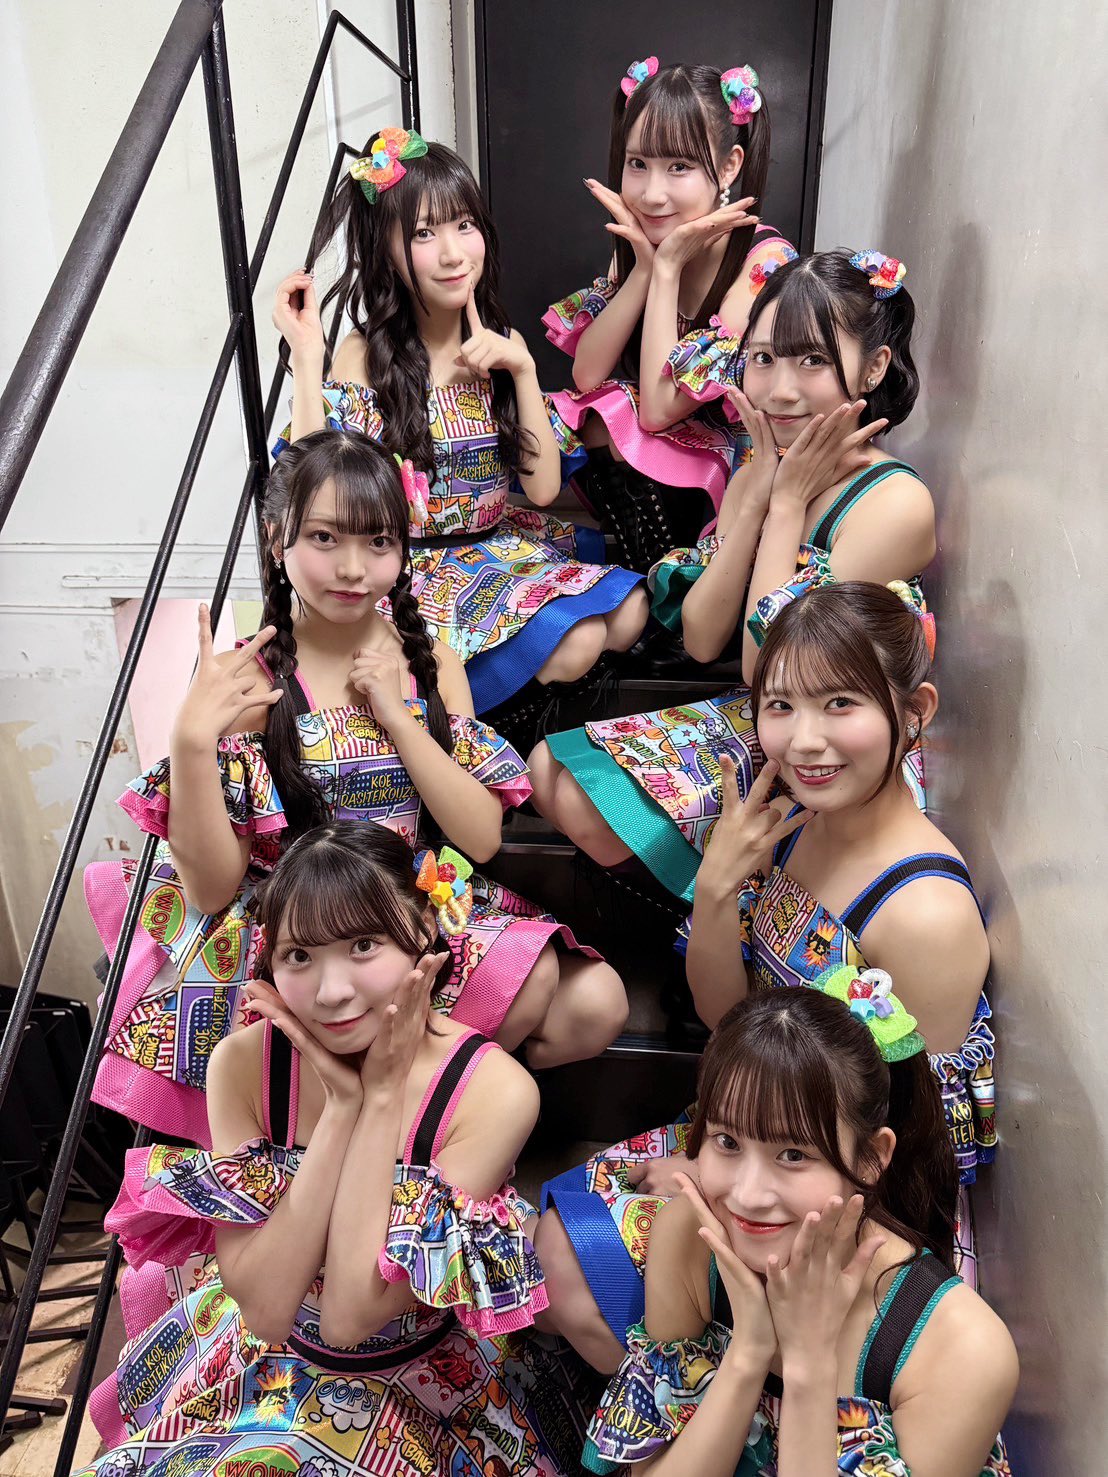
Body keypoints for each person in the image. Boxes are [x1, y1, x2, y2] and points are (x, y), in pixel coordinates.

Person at [88, 434, 627, 1147]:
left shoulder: (430, 662)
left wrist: (399, 718)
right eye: (324, 537)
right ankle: (354, 1137)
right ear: (277, 538)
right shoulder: (251, 681)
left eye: (378, 541)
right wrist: (190, 740)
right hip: (304, 928)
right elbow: (212, 888)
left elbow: (481, 837)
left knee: (593, 999)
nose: (352, 568)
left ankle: (407, 1123)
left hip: (411, 902)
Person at [535, 583, 997, 1373]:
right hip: (756, 1133)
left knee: (569, 1269)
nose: (805, 740)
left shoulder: (924, 914)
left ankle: (742, 1408)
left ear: (914, 710)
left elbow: (916, 1145)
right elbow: (726, 1014)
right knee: (551, 1243)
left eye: (841, 702)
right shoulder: (792, 822)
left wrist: (725, 1184)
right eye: (780, 705)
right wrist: (717, 888)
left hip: (843, 1199)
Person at [82, 822, 591, 1477]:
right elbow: (267, 1310)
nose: (331, 992)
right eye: (300, 955)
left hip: (426, 1380)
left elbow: (351, 1315)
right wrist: (343, 1108)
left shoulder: (493, 1090)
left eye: (363, 944)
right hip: (268, 1357)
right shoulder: (244, 1065)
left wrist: (379, 1097)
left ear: (424, 934)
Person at [529, 249, 933, 902]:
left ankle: (740, 908)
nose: (780, 389)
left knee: (581, 788)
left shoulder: (893, 503)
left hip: (833, 743)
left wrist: (786, 504)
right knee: (552, 769)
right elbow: (701, 637)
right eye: (765, 358)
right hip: (766, 717)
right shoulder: (765, 463)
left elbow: (767, 666)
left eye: (813, 360)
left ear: (874, 366)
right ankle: (716, 908)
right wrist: (751, 499)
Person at [273, 129, 647, 717]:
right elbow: (316, 483)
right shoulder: (364, 355)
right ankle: (475, 713)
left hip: (496, 546)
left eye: (463, 225)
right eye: (424, 233)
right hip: (416, 568)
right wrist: (305, 356)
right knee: (578, 643)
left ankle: (487, 697)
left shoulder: (501, 342)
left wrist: (523, 369)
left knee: (630, 613)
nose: (453, 254)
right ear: (386, 250)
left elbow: (544, 490)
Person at [582, 985, 1016, 1476]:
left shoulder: (962, 1349)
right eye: (727, 1141)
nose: (748, 1195)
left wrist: (808, 1365)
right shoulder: (690, 1239)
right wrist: (749, 1352)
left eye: (793, 1154)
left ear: (871, 1158)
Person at [543, 57, 795, 566]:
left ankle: (683, 581)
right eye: (638, 164)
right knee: (595, 412)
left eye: (679, 167)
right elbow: (587, 375)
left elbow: (658, 412)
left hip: (750, 456)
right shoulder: (648, 245)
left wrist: (668, 267)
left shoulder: (763, 262)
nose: (651, 194)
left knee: (633, 416)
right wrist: (644, 268)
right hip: (680, 447)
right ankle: (647, 569)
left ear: (729, 167)